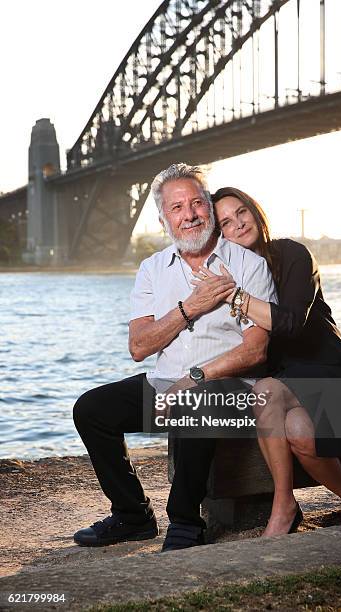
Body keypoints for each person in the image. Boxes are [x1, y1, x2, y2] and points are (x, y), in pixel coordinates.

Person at [72, 165, 277, 548]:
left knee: (197, 401)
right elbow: (139, 347)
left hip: (229, 390)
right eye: (178, 207)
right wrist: (190, 308)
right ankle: (132, 515)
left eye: (198, 202)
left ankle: (186, 522)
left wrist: (195, 378)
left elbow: (256, 349)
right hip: (165, 385)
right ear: (164, 218)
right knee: (90, 409)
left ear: (210, 210)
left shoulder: (249, 265)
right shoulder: (152, 269)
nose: (190, 214)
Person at [190, 186, 341, 536]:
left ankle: (339, 502)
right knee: (296, 428)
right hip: (281, 381)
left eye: (241, 212)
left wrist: (234, 295)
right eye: (226, 223)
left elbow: (289, 324)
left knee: (274, 398)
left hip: (326, 372)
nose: (239, 224)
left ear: (255, 211)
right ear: (219, 234)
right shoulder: (232, 271)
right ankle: (299, 504)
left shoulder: (292, 255)